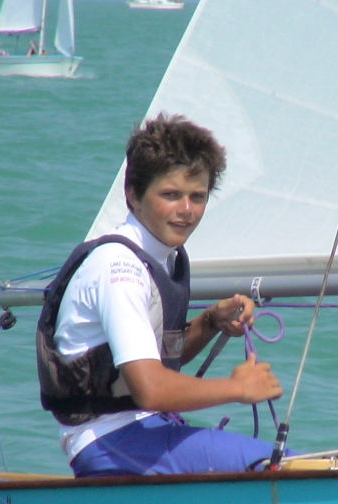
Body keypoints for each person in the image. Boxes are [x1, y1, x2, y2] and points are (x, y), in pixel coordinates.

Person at [36, 114, 287, 477]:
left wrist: (210, 322)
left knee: (278, 461)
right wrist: (236, 388)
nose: (186, 210)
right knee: (283, 464)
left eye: (197, 196)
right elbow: (150, 388)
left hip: (144, 431)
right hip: (109, 441)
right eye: (170, 195)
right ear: (133, 195)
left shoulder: (162, 258)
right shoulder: (118, 268)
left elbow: (150, 362)